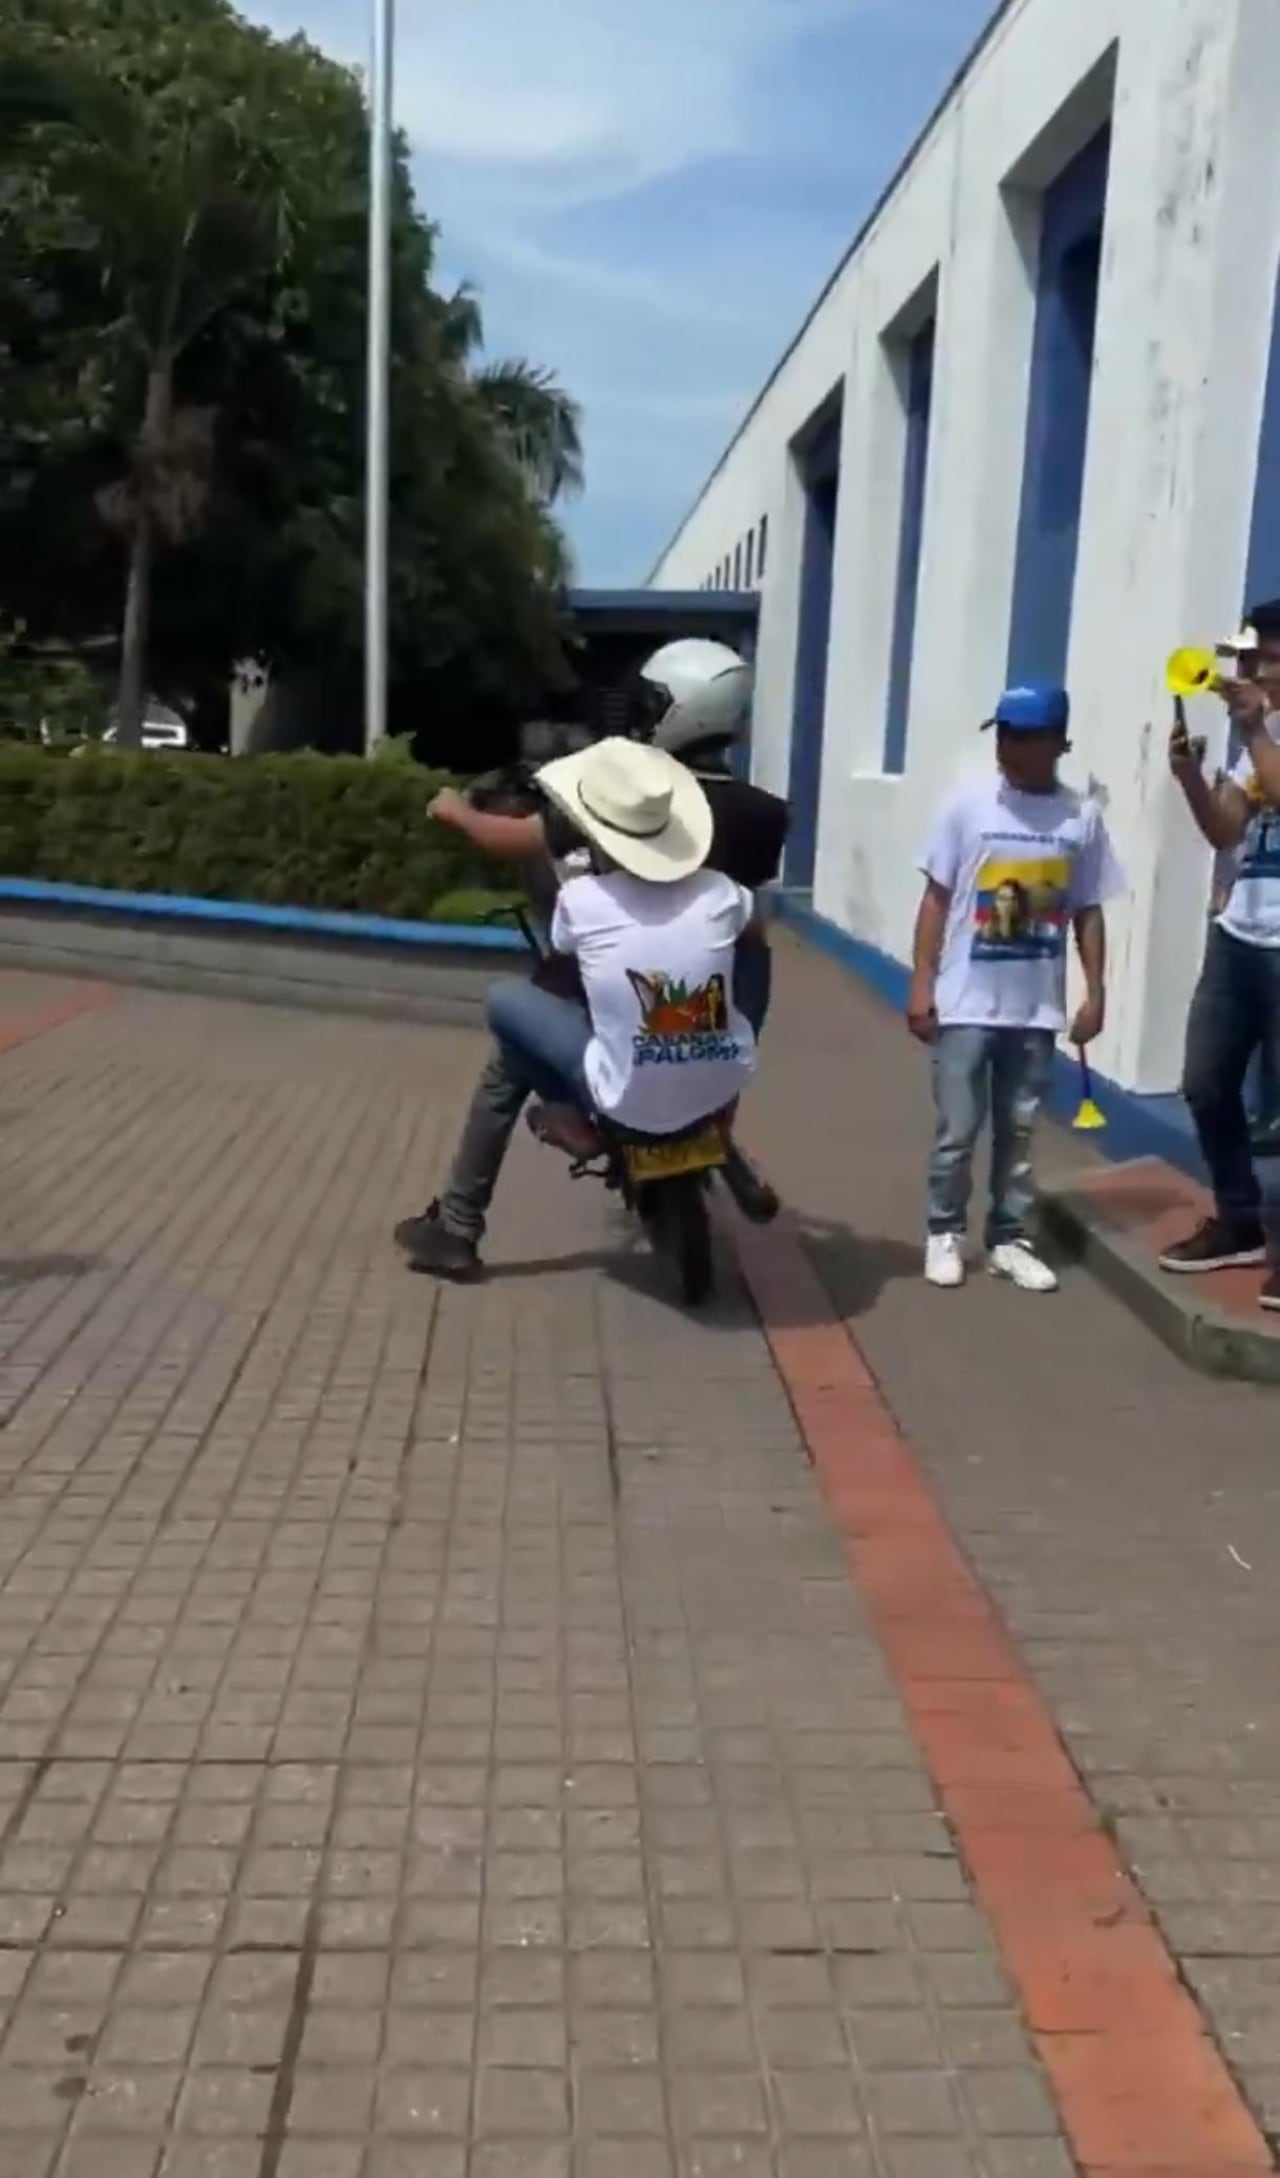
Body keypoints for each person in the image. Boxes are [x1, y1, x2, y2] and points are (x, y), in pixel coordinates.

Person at [396, 641, 788, 1278]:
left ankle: (460, 1223)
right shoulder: (765, 817)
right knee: (741, 963)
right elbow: (756, 946)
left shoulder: (621, 801)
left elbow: (513, 840)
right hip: (709, 1014)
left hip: (619, 998)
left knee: (513, 1044)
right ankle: (722, 1137)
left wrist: (454, 811)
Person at [907, 680, 1124, 1294]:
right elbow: (936, 899)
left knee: (1020, 1133)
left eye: (1022, 734)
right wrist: (922, 983)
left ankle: (1010, 1239)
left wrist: (1097, 992)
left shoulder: (1080, 817)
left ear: (1057, 743)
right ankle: (944, 1232)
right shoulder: (967, 807)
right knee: (958, 1128)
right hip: (965, 1002)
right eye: (1001, 731)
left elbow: (1088, 910)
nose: (1006, 744)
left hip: (1035, 1009)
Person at [485, 737, 756, 1145]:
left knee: (504, 1000)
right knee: (756, 950)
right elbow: (756, 939)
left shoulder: (581, 899)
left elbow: (562, 951)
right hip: (722, 1087)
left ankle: (568, 1115)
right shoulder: (721, 891)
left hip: (624, 1103)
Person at [1161, 604, 1280, 1306]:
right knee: (1206, 1085)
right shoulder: (1252, 740)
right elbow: (1224, 829)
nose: (1252, 670)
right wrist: (1188, 780)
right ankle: (1240, 1220)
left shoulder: (1257, 731)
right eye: (1253, 657)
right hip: (1238, 934)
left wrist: (1255, 727)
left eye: (1265, 658)